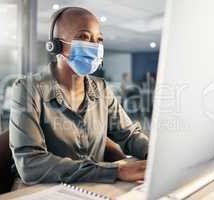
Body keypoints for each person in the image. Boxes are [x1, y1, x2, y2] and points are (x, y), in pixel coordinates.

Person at [9, 7, 148, 186]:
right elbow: (30, 165)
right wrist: (114, 171)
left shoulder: (101, 89)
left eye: (99, 40)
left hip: (91, 188)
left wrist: (156, 156)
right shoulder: (28, 89)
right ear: (55, 45)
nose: (95, 46)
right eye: (84, 37)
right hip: (41, 190)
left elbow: (129, 136)